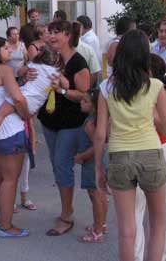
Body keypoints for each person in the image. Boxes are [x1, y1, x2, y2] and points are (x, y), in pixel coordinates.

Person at [94, 29, 166, 261]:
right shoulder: (156, 86)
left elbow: (100, 133)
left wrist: (99, 167)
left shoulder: (106, 88)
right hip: (151, 153)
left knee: (127, 230)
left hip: (119, 156)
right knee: (158, 223)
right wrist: (151, 117)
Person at [37, 20, 90, 237]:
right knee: (57, 166)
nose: (50, 36)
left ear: (68, 35)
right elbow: (29, 71)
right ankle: (65, 209)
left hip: (70, 123)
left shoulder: (78, 63)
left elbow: (84, 95)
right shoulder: (52, 59)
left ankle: (67, 216)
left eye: (55, 33)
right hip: (49, 122)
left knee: (62, 165)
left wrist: (64, 91)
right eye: (49, 32)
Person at [0, 37, 31, 238]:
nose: (9, 48)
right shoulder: (4, 70)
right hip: (9, 129)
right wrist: (26, 114)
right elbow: (18, 98)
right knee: (11, 179)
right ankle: (7, 225)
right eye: (4, 47)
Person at [134, 54, 166, 261]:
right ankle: (135, 255)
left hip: (159, 147)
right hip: (137, 148)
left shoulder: (165, 93)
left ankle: (159, 256)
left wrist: (147, 111)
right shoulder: (139, 90)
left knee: (157, 211)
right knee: (136, 208)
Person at [0, 46, 62, 145]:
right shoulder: (56, 72)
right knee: (28, 123)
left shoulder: (34, 65)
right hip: (35, 104)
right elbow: (66, 84)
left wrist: (29, 67)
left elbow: (19, 72)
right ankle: (32, 144)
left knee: (1, 113)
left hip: (24, 97)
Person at [75, 88, 108, 243]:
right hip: (101, 161)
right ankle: (102, 223)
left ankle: (97, 231)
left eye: (85, 101)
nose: (81, 102)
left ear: (95, 106)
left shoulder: (90, 124)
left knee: (95, 196)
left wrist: (81, 156)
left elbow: (97, 146)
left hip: (92, 163)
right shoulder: (98, 121)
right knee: (101, 195)